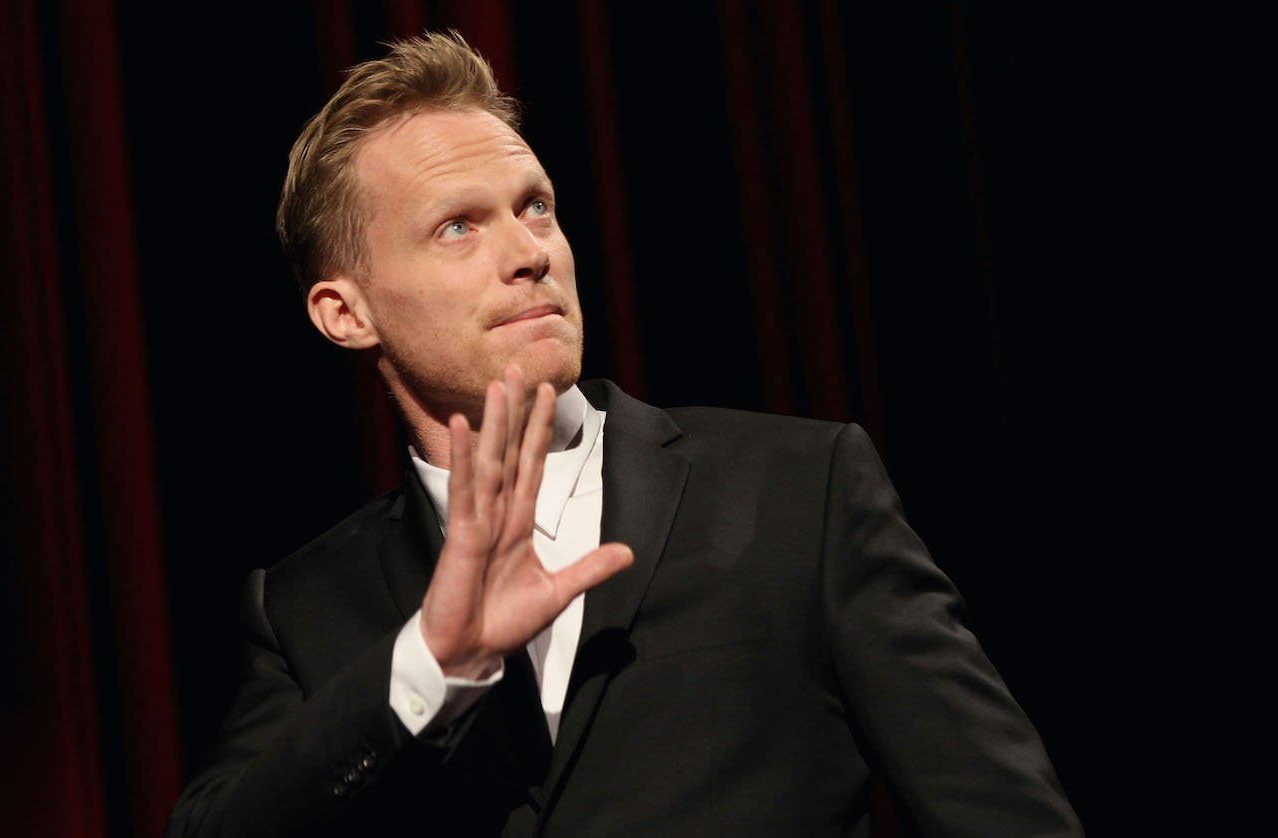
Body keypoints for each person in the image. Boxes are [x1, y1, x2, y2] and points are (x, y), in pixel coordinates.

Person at [167, 31, 1082, 837]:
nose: (531, 251)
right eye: (456, 227)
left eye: (536, 206)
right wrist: (427, 665)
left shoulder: (800, 490)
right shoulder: (301, 606)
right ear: (344, 312)